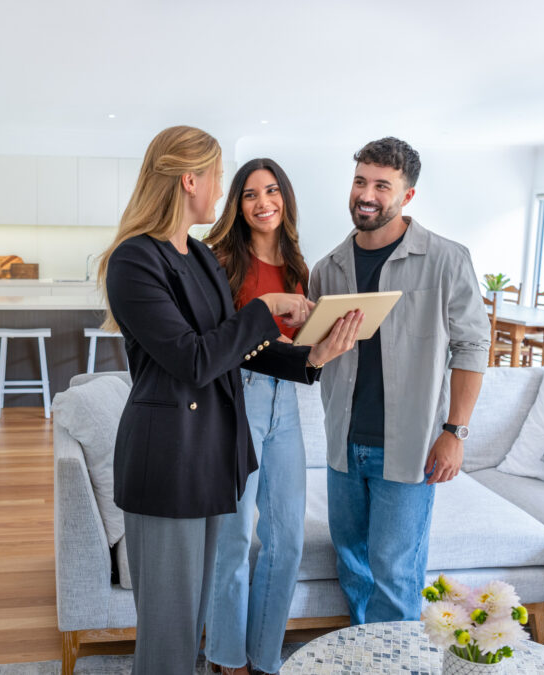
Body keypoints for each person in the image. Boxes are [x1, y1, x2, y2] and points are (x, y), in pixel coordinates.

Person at [101, 126, 363, 674]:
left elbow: (237, 350)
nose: (222, 189)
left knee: (194, 618)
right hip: (169, 461)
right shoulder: (135, 260)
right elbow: (193, 358)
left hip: (213, 456)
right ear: (189, 178)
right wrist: (264, 305)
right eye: (220, 176)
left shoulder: (196, 256)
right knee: (169, 638)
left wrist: (310, 360)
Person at [308, 137, 490, 626]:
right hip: (342, 447)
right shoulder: (328, 269)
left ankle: (397, 661)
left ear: (406, 195)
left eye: (382, 186)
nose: (367, 195)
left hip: (408, 449)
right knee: (352, 566)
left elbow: (472, 348)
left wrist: (456, 432)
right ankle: (366, 655)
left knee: (394, 574)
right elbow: (312, 354)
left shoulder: (447, 260)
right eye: (360, 181)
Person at [202, 158, 313, 675]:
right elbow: (223, 345)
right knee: (235, 536)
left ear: (285, 197)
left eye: (272, 191)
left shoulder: (297, 264)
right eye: (250, 194)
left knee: (288, 538)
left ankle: (265, 658)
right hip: (237, 398)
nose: (263, 202)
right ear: (237, 205)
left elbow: (296, 342)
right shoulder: (220, 260)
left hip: (286, 400)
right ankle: (227, 659)